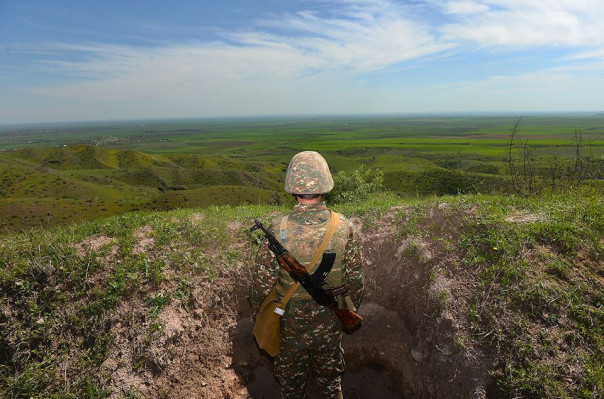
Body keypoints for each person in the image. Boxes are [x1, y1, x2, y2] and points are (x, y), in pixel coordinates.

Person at [249, 151, 364, 399]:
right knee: (331, 386)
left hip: (290, 324)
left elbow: (260, 285)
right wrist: (341, 308)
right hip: (329, 326)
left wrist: (260, 309)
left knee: (291, 388)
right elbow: (355, 282)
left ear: (292, 185)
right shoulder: (343, 226)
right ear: (325, 183)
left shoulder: (278, 228)